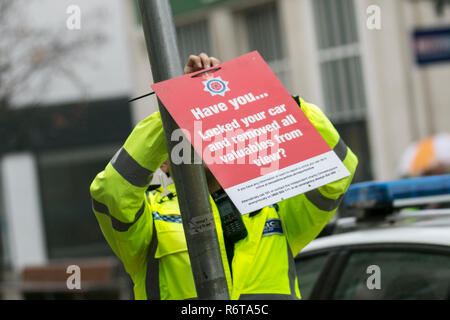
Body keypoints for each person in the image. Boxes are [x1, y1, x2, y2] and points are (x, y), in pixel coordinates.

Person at [90, 53, 358, 300]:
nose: (202, 137)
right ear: (163, 163)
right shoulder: (150, 220)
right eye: (188, 131)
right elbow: (112, 190)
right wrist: (178, 104)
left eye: (210, 126)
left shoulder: (274, 207)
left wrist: (268, 99)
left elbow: (340, 170)